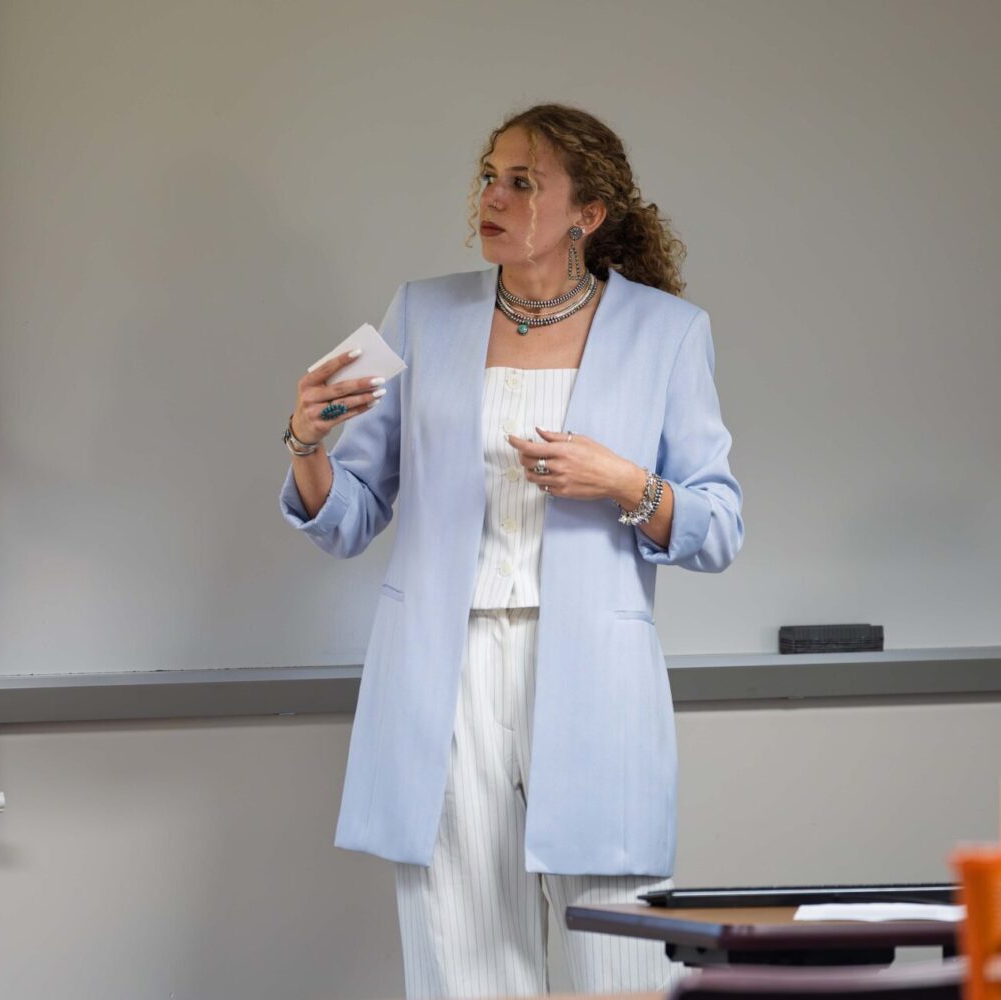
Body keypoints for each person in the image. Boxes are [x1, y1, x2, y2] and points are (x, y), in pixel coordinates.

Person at [279, 103, 744, 998]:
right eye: (488, 176)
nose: (490, 196)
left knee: (621, 973)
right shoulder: (418, 314)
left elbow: (718, 527)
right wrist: (304, 445)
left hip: (593, 680)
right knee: (464, 973)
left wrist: (622, 482)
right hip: (441, 683)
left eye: (521, 182)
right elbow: (351, 517)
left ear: (588, 214)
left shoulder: (667, 332)